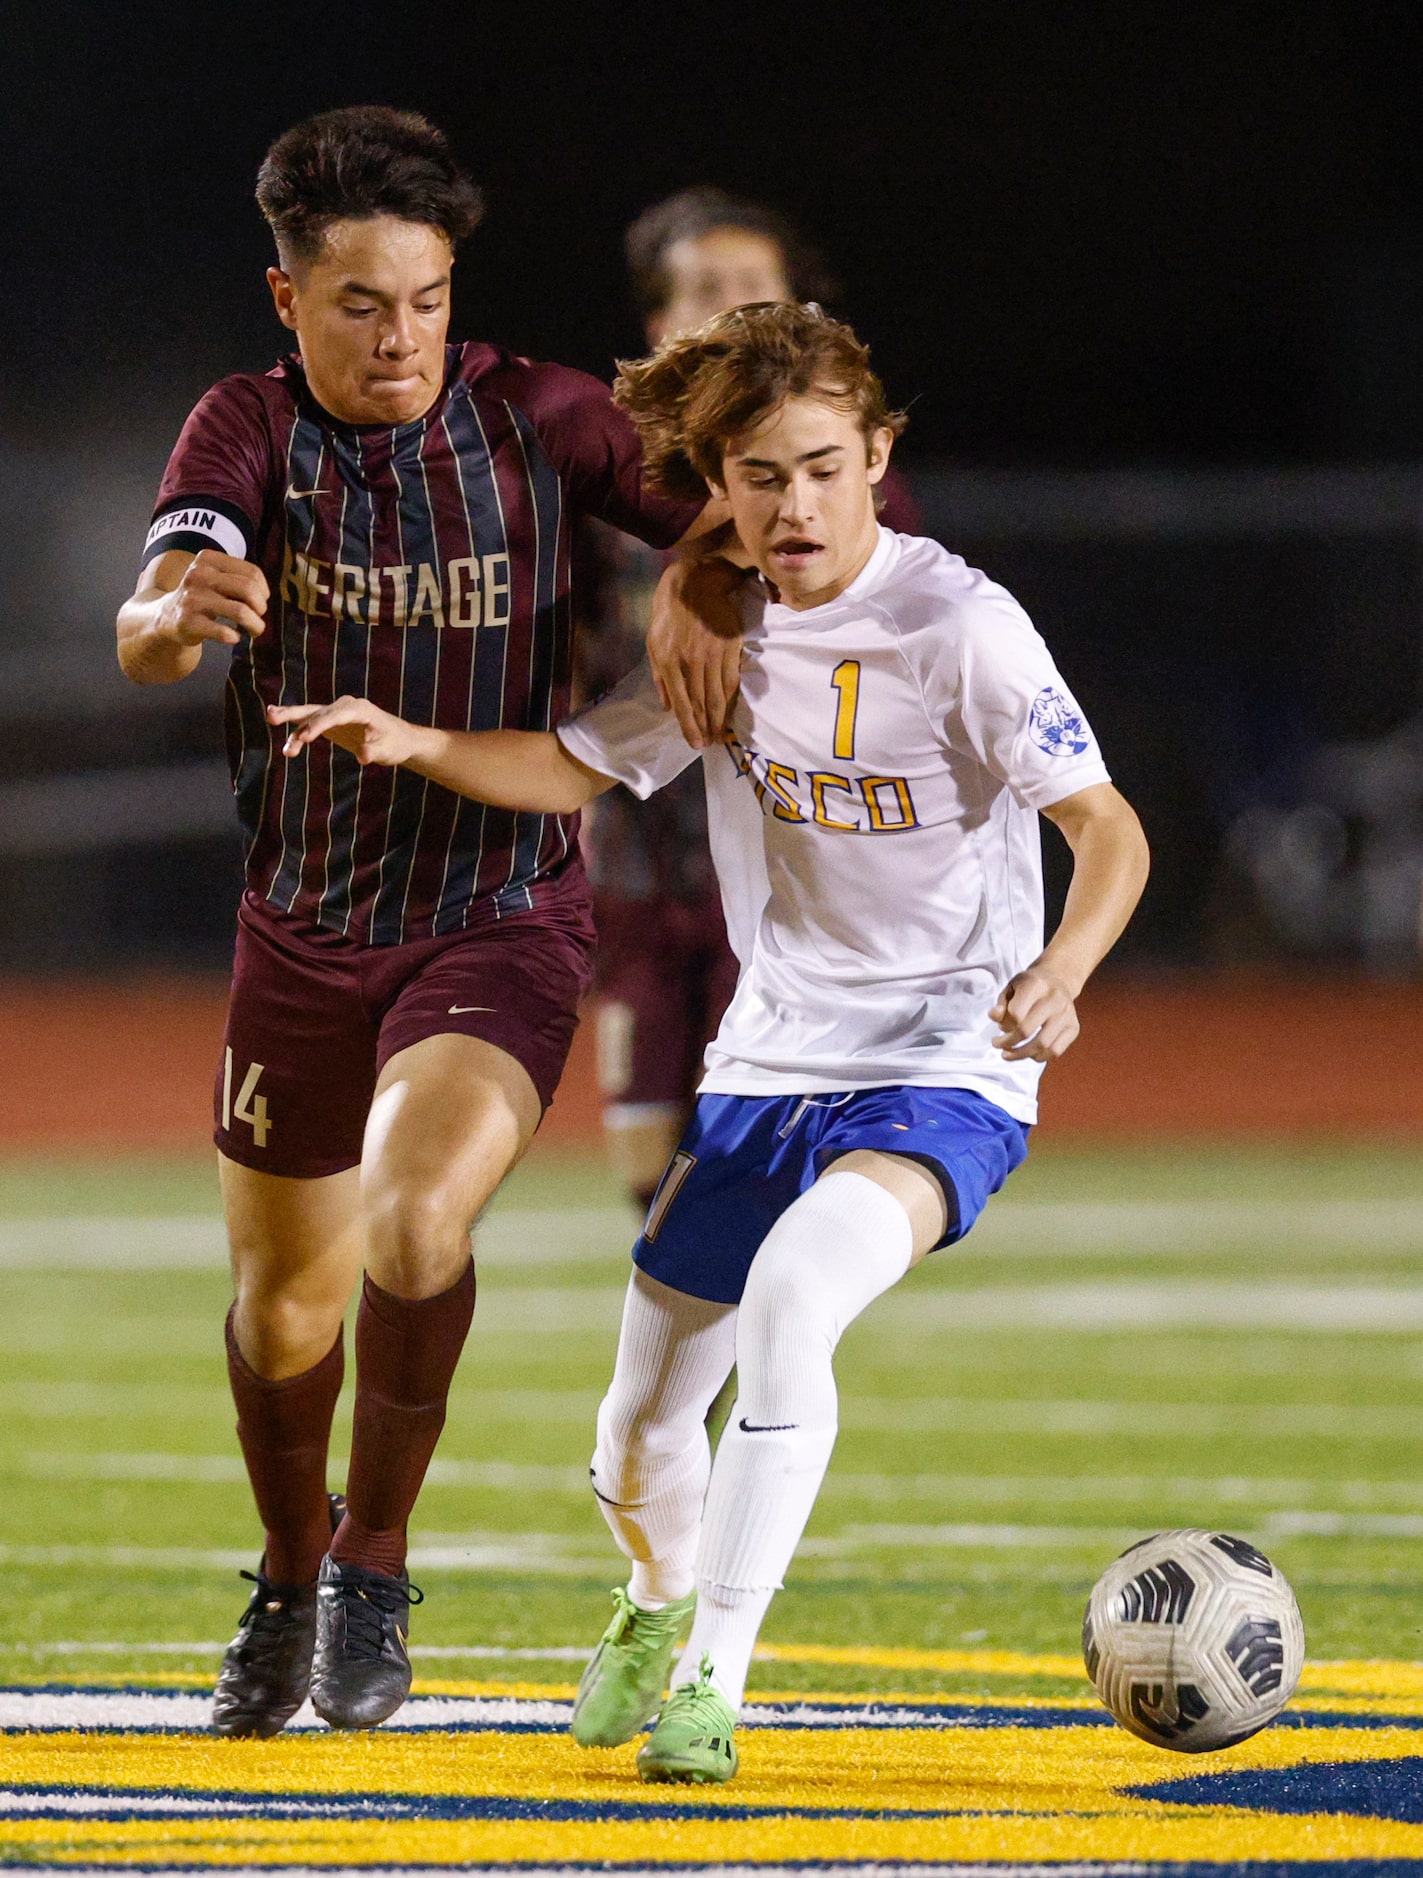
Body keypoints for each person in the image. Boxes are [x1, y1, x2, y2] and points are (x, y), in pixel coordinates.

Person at [269, 301, 1150, 1783]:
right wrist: (416, 741)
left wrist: (1060, 967)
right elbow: (575, 762)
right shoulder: (723, 621)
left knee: (799, 1297)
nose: (791, 504)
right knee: (630, 1439)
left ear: (875, 455)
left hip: (946, 1063)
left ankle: (714, 1679)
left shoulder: (962, 625)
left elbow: (1105, 828)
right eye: (757, 475)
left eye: (819, 467)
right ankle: (654, 1598)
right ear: (720, 482)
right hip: (763, 1068)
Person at [113, 106, 723, 1738]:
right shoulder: (241, 428)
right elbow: (158, 610)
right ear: (287, 298)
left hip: (499, 911)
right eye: (364, 303)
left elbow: (741, 530)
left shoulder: (542, 418)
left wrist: (715, 598)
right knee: (281, 1306)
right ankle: (290, 1567)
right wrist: (171, 614)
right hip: (303, 925)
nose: (402, 337)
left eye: (429, 298)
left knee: (411, 1216)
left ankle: (373, 1565)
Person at [579, 187, 920, 1214]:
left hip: (783, 863)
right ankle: (700, 1371)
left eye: (750, 291)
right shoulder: (595, 470)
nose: (728, 312)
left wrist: (706, 570)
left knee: (760, 1160)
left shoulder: (841, 472)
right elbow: (559, 638)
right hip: (639, 855)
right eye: (704, 292)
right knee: (646, 1170)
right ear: (658, 326)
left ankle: (766, 1367)